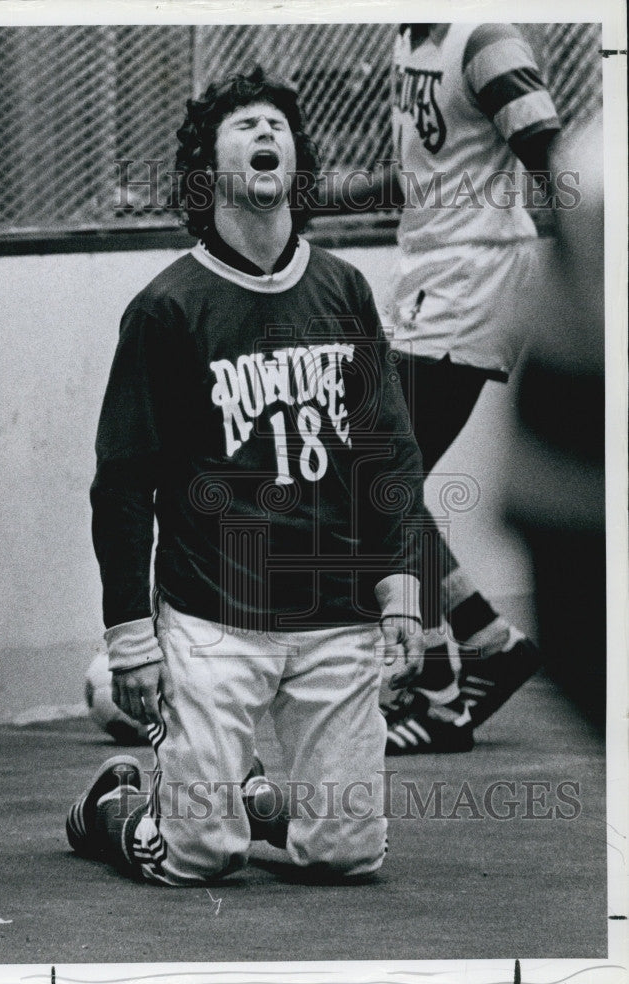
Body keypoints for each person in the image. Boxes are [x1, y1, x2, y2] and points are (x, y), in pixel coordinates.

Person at [66, 67, 425, 885]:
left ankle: (252, 799)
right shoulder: (167, 308)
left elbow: (389, 452)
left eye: (277, 125)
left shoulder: (343, 289)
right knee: (196, 859)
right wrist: (131, 638)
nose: (266, 135)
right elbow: (122, 483)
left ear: (296, 159)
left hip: (336, 609)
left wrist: (406, 578)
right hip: (212, 616)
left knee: (347, 855)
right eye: (244, 127)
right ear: (207, 169)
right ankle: (114, 807)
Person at [335, 23, 561, 753]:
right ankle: (489, 645)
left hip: (476, 278)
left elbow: (550, 158)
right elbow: (427, 177)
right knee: (377, 479)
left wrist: (574, 294)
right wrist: (313, 193)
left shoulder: (483, 35)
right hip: (429, 277)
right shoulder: (410, 40)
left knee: (375, 478)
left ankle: (437, 693)